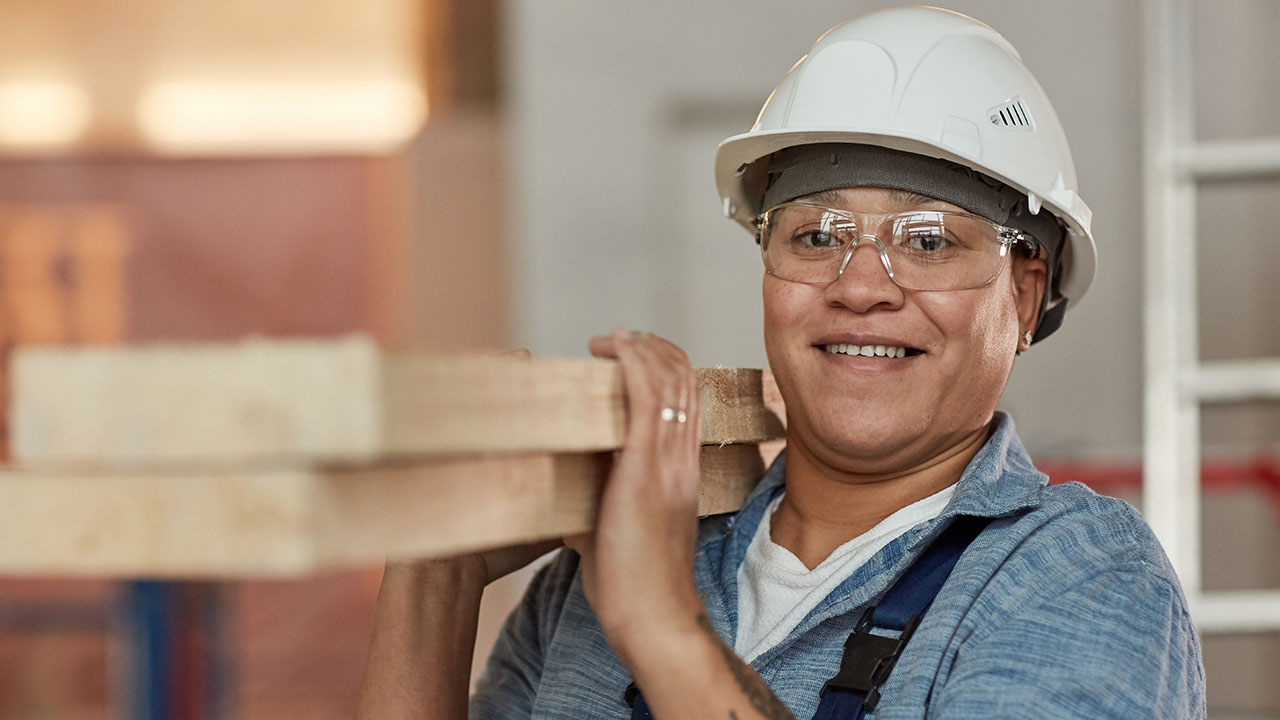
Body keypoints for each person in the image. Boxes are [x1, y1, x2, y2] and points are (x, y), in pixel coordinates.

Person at [357, 7, 1206, 719]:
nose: (860, 286)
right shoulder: (607, 569)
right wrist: (436, 571)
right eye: (816, 235)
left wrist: (661, 623)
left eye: (928, 241)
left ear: (1024, 293)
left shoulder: (1078, 577)